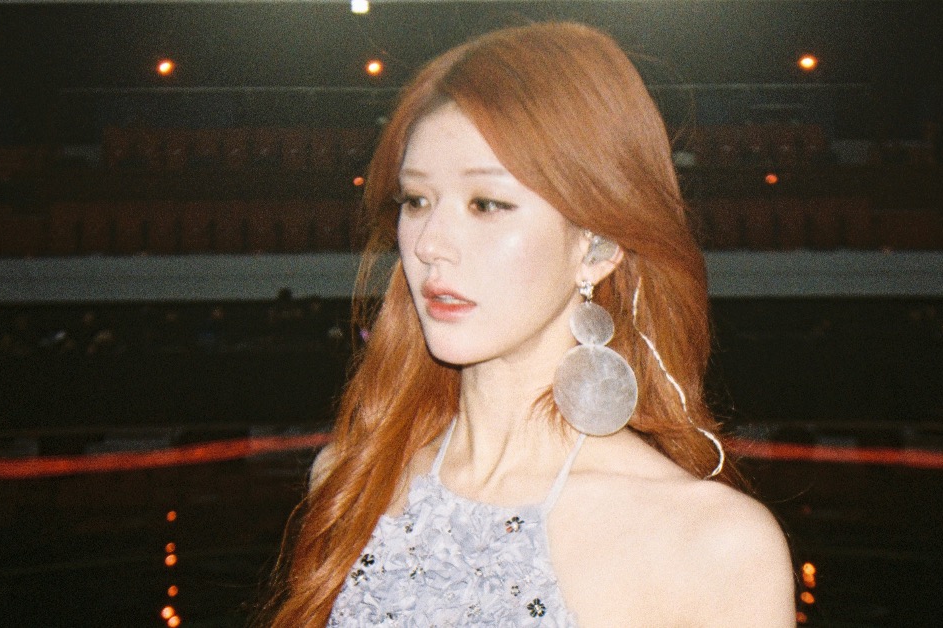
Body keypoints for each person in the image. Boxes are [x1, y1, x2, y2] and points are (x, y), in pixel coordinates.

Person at [260, 22, 794, 627]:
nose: (430, 244)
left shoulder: (711, 547)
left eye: (486, 204)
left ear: (596, 246)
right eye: (416, 201)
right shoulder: (349, 481)